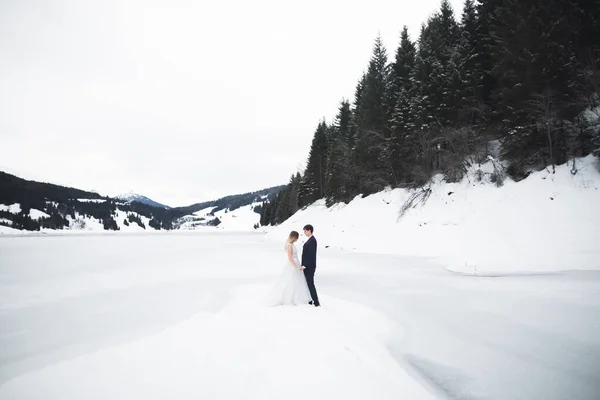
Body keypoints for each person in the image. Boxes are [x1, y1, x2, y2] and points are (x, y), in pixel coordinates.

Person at [267, 230, 312, 306]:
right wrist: (295, 267)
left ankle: (296, 298)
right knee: (292, 280)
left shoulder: (291, 244)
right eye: (297, 238)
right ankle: (290, 298)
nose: (297, 239)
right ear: (294, 237)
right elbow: (290, 257)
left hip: (296, 263)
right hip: (293, 264)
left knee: (297, 281)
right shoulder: (289, 245)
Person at [301, 224, 320, 307]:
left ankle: (316, 302)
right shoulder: (310, 240)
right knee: (308, 283)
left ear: (309, 230)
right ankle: (311, 300)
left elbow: (311, 255)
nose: (304, 232)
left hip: (309, 267)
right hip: (308, 266)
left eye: (305, 231)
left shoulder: (312, 240)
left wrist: (305, 265)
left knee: (310, 284)